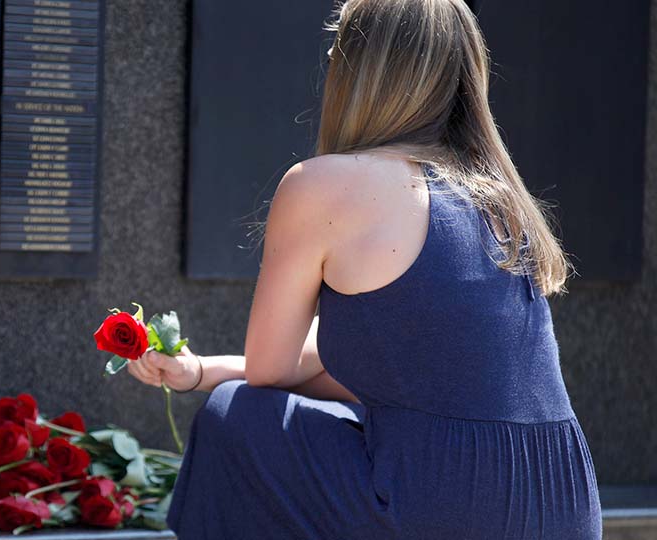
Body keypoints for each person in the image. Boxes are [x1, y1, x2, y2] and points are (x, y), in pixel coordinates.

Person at [125, 0, 603, 538]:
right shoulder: (498, 197)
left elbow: (269, 372)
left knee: (233, 416)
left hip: (445, 501)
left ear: (357, 69)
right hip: (565, 500)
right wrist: (199, 370)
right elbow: (392, 374)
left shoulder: (322, 185)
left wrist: (211, 383)